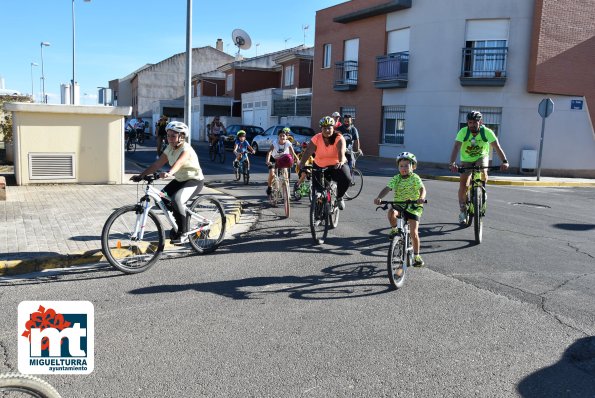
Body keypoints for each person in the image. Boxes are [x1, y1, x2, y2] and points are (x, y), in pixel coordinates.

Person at [131, 121, 204, 244]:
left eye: (173, 136)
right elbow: (157, 164)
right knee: (162, 200)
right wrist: (141, 175)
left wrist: (169, 173)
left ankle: (183, 232)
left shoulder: (186, 149)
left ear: (181, 136)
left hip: (194, 180)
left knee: (176, 200)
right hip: (180, 180)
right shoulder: (169, 148)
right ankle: (182, 216)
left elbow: (179, 163)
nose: (169, 138)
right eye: (168, 135)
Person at [448, 110, 509, 223]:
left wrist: (505, 161)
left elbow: (497, 147)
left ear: (480, 122)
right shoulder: (463, 132)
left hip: (481, 156)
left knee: (482, 171)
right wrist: (452, 163)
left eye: (474, 122)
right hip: (466, 159)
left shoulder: (487, 132)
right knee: (463, 185)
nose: (472, 125)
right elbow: (456, 147)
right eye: (470, 122)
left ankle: (482, 190)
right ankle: (463, 210)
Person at [373, 152, 426, 267]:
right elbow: (387, 188)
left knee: (414, 232)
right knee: (391, 212)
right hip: (399, 205)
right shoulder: (396, 178)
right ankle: (394, 229)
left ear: (413, 167)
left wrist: (421, 198)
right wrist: (379, 198)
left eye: (407, 165)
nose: (404, 168)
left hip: (413, 207)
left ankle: (417, 256)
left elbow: (422, 189)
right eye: (401, 166)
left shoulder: (415, 178)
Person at [298, 116, 351, 210]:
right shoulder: (316, 138)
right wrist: (302, 163)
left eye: (329, 128)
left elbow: (341, 152)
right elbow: (308, 151)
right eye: (324, 128)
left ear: (333, 128)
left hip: (336, 165)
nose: (327, 130)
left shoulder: (339, 137)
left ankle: (339, 197)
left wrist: (340, 161)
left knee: (346, 179)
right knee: (318, 191)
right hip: (319, 166)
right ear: (321, 128)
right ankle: (318, 214)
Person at [266, 127, 298, 196]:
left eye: (284, 136)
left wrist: (294, 161)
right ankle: (269, 187)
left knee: (286, 175)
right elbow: (269, 152)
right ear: (278, 136)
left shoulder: (288, 143)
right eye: (280, 136)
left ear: (286, 137)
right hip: (274, 158)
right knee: (271, 173)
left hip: (283, 159)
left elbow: (292, 153)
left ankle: (287, 192)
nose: (282, 137)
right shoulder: (275, 143)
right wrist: (268, 161)